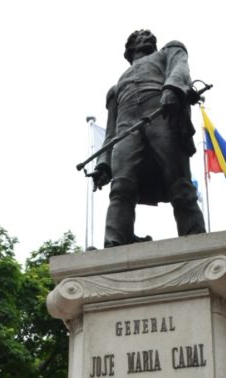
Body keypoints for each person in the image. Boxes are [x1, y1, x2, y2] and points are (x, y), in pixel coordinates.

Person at [91, 29, 206, 248]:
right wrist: (103, 163)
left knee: (179, 182)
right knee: (121, 186)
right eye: (138, 37)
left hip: (162, 115)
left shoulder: (169, 50)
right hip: (127, 130)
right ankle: (116, 240)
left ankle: (195, 237)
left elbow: (179, 68)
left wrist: (173, 89)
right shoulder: (115, 90)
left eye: (147, 36)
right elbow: (110, 132)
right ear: (129, 48)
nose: (145, 37)